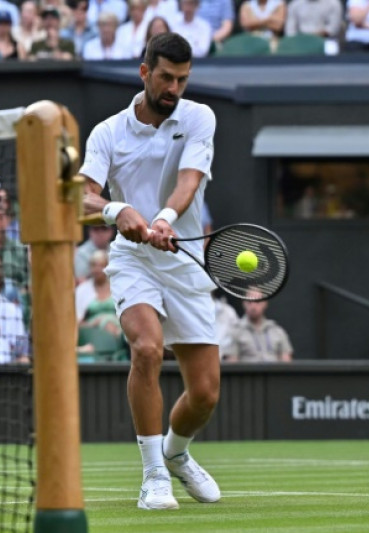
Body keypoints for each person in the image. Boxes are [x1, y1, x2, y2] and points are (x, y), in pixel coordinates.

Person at [79, 33, 221, 510]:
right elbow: (81, 195)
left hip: (184, 262)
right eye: (165, 77)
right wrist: (117, 210)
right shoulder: (107, 133)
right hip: (133, 258)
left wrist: (161, 218)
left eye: (182, 79)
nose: (174, 88)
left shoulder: (200, 117)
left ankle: (176, 454)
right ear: (145, 73)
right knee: (146, 348)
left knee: (204, 394)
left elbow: (189, 181)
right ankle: (153, 474)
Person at [222, 290, 293, 362]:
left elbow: (286, 364)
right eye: (249, 302)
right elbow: (231, 366)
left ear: (265, 303)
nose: (253, 306)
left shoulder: (278, 331)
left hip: (274, 372)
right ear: (244, 303)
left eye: (257, 301)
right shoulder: (235, 332)